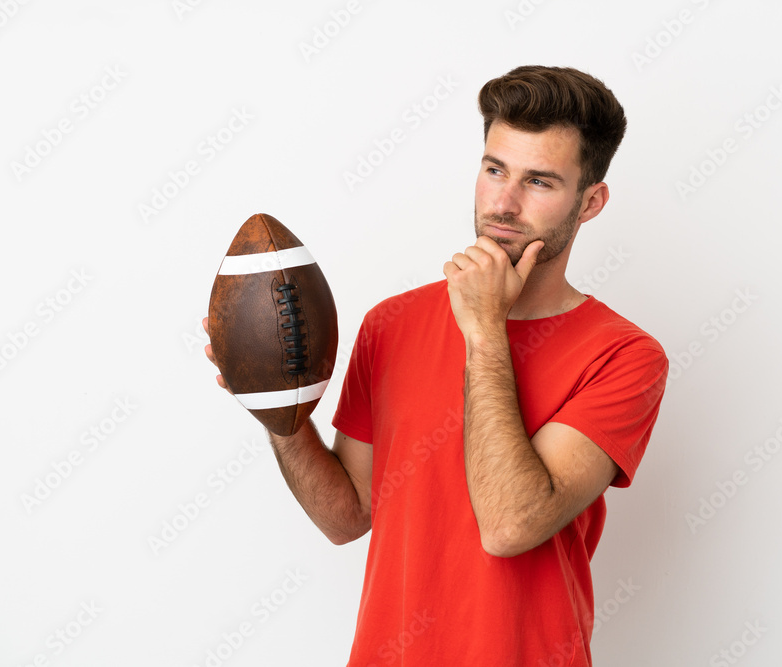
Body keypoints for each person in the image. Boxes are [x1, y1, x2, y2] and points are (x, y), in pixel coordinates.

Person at [205, 65, 668, 666]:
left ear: (591, 203)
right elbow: (347, 516)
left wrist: (483, 328)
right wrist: (277, 410)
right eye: (494, 169)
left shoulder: (623, 355)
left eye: (541, 182)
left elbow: (509, 525)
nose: (504, 202)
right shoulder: (391, 324)